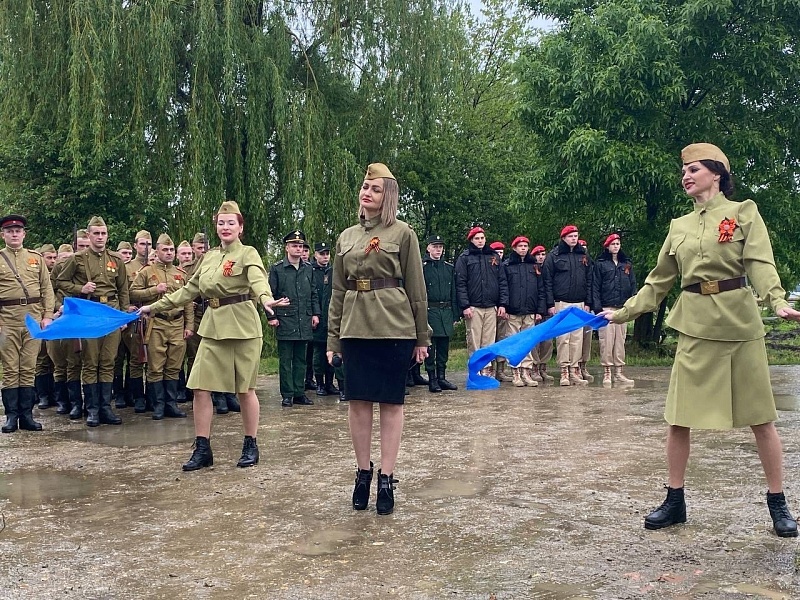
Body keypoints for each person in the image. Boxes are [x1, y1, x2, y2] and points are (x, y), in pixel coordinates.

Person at [602, 142, 800, 537]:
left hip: (740, 326)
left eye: (693, 169)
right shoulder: (679, 226)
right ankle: (674, 501)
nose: (686, 176)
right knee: (678, 419)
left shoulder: (743, 212)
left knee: (761, 419)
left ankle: (778, 503)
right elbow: (657, 282)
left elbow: (760, 263)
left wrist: (776, 300)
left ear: (717, 173)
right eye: (684, 171)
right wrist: (622, 313)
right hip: (694, 326)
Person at [139, 200, 286, 471]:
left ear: (240, 228)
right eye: (221, 223)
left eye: (231, 223)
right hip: (213, 326)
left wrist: (266, 298)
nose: (225, 227)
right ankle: (202, 448)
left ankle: (251, 444)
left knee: (245, 390)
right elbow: (188, 291)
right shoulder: (209, 257)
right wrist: (154, 307)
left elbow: (258, 279)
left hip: (242, 327)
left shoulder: (247, 253)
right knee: (200, 387)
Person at [327, 163, 429, 516]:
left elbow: (416, 287)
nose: (366, 192)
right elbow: (337, 291)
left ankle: (387, 476)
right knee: (357, 402)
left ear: (388, 196)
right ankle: (363, 473)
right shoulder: (346, 237)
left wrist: (422, 337)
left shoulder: (403, 233)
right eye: (364, 187)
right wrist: (333, 339)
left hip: (394, 327)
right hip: (355, 326)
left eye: (375, 188)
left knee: (390, 403)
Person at [56, 216, 129, 427]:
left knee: (108, 361)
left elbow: (123, 289)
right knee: (90, 362)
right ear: (88, 235)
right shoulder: (77, 259)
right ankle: (92, 410)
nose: (100, 237)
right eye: (96, 233)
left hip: (110, 312)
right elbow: (61, 281)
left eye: (103, 233)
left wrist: (123, 316)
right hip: (89, 312)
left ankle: (105, 408)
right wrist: (81, 289)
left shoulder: (116, 260)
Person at [0, 215, 55, 433]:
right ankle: (11, 416)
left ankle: (27, 415)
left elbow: (47, 289)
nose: (14, 234)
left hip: (33, 319)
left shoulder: (36, 258)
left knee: (28, 367)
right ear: (3, 235)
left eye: (18, 231)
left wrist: (47, 315)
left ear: (24, 234)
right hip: (7, 320)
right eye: (10, 231)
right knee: (10, 368)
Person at [130, 234, 193, 419]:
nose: (169, 253)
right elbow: (132, 293)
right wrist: (153, 290)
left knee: (174, 365)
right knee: (156, 367)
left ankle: (171, 404)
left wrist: (189, 324)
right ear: (156, 251)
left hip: (177, 323)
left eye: (171, 250)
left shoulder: (181, 274)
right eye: (165, 250)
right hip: (156, 323)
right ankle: (158, 405)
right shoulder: (146, 272)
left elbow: (188, 301)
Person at [268, 230, 320, 407]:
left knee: (301, 359)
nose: (298, 249)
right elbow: (270, 294)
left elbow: (313, 293)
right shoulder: (277, 269)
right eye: (294, 246)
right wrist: (271, 316)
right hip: (285, 319)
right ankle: (287, 394)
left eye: (301, 246)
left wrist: (316, 314)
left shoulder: (308, 268)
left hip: (303, 319)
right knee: (285, 360)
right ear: (287, 248)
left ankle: (299, 392)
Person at [542, 225, 592, 386]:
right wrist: (550, 304)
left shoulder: (583, 255)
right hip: (561, 302)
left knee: (577, 338)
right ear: (563, 238)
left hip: (579, 302)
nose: (574, 239)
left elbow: (589, 279)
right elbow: (547, 281)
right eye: (570, 236)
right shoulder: (554, 255)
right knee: (564, 338)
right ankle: (564, 371)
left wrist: (588, 302)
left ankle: (574, 370)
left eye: (576, 236)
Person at [454, 227, 508, 377]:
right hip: (473, 307)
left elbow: (502, 281)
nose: (480, 241)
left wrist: (502, 304)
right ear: (471, 240)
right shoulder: (465, 258)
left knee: (489, 341)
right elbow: (460, 283)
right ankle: (475, 370)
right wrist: (465, 305)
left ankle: (487, 370)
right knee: (474, 340)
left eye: (482, 238)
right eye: (477, 238)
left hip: (491, 306)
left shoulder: (493, 256)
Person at [592, 233, 637, 386]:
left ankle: (619, 372)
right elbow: (595, 287)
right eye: (613, 244)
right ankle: (607, 372)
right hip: (606, 307)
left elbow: (633, 285)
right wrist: (597, 307)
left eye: (618, 243)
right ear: (607, 246)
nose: (616, 246)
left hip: (622, 308)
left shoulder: (626, 263)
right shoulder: (601, 264)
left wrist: (632, 304)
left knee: (620, 341)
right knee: (606, 341)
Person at [504, 236, 546, 387]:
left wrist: (540, 310)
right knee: (514, 343)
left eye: (525, 246)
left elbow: (541, 289)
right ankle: (515, 373)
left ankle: (526, 372)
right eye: (520, 246)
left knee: (528, 343)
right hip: (513, 311)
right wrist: (504, 306)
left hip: (530, 310)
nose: (523, 248)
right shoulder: (507, 265)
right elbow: (504, 288)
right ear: (514, 248)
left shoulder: (534, 266)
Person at [422, 234, 458, 393]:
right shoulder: (423, 268)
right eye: (435, 247)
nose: (438, 250)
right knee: (431, 347)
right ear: (428, 248)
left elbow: (454, 292)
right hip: (430, 310)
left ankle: (442, 377)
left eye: (440, 247)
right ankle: (432, 379)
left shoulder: (449, 268)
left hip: (446, 311)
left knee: (444, 346)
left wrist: (455, 314)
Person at [123, 230, 152, 412]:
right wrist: (126, 306)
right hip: (135, 319)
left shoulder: (155, 266)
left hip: (153, 318)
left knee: (153, 359)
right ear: (135, 246)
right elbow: (122, 291)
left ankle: (151, 396)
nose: (145, 248)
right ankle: (138, 397)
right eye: (142, 244)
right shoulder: (126, 267)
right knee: (136, 359)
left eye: (149, 244)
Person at [310, 241, 340, 397]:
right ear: (315, 255)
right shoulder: (311, 271)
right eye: (322, 254)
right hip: (318, 317)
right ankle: (320, 383)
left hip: (331, 317)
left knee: (332, 350)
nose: (325, 257)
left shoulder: (333, 271)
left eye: (327, 253)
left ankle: (329, 383)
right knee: (319, 352)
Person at [529, 245, 555, 383]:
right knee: (535, 341)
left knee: (548, 341)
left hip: (548, 309)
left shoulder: (549, 268)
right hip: (535, 309)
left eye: (543, 254)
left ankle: (543, 367)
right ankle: (534, 367)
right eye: (538, 254)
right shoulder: (531, 268)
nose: (541, 257)